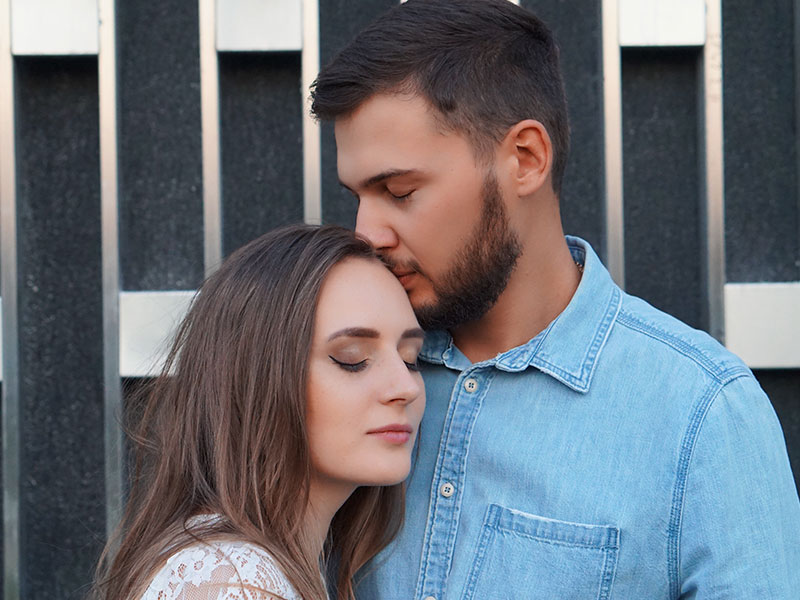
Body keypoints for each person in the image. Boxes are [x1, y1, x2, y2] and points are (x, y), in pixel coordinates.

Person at [310, 0, 800, 597]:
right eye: (357, 196)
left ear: (525, 159)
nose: (367, 233)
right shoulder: (341, 378)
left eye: (400, 191)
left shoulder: (701, 414)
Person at [91, 224, 425, 600]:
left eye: (411, 359)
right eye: (353, 359)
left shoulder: (258, 567)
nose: (406, 387)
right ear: (254, 377)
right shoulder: (236, 580)